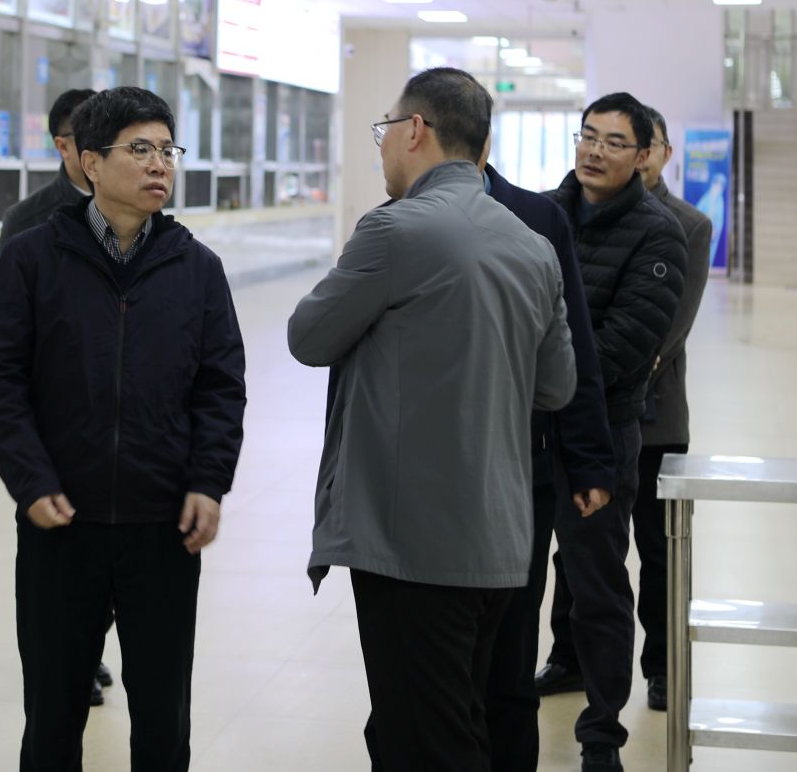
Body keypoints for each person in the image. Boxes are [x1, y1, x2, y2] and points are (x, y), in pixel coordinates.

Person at [290, 68, 575, 772]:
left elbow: (308, 336)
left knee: (424, 744)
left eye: (385, 129)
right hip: (500, 540)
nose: (383, 145)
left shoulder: (395, 229)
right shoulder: (532, 245)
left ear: (415, 130)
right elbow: (557, 385)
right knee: (461, 721)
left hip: (411, 546)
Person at [0, 86, 246, 771]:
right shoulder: (33, 259)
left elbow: (220, 388)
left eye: (167, 150)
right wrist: (30, 480)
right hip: (62, 523)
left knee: (162, 720)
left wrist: (208, 482)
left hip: (163, 526)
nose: (159, 164)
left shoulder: (197, 268)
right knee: (53, 716)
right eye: (140, 149)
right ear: (90, 162)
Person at [543, 105, 716, 715]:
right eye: (589, 137)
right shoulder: (556, 213)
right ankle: (568, 658)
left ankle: (661, 667)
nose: (598, 150)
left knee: (653, 550)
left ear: (654, 153)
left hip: (651, 415)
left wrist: (590, 378)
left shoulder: (682, 225)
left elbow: (664, 331)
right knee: (580, 554)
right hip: (573, 412)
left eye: (619, 142)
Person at [478, 138, 616, 770]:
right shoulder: (398, 219)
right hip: (430, 480)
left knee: (510, 653)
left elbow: (573, 345)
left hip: (520, 468)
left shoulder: (535, 218)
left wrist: (587, 460)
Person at [0, 85, 115, 708]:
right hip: (56, 422)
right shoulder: (29, 221)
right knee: (63, 553)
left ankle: (89, 645)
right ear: (65, 147)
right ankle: (74, 659)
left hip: (122, 420)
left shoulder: (135, 212)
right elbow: (6, 342)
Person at [0, 87, 98, 253]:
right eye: (92, 135)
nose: (104, 144)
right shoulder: (24, 221)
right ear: (63, 147)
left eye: (111, 134)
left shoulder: (135, 205)